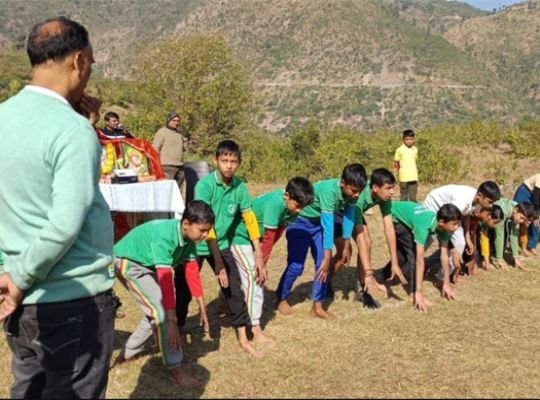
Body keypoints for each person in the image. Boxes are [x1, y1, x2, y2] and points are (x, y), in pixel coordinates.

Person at [0, 17, 116, 398]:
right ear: (78, 60)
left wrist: (10, 273)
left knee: (29, 389)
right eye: (91, 65)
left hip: (21, 305)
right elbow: (64, 223)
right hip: (70, 298)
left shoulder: (5, 118)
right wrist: (19, 278)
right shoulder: (71, 131)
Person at [175, 140, 264, 356]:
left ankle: (243, 337)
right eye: (224, 161)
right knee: (184, 288)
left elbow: (249, 218)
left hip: (222, 244)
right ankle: (177, 328)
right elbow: (205, 224)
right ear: (216, 161)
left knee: (234, 289)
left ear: (239, 163)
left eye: (233, 161)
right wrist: (218, 263)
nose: (229, 166)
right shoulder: (204, 186)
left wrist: (258, 252)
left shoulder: (240, 187)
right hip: (195, 245)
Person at [112, 200, 214, 387]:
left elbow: (192, 271)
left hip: (146, 264)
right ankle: (175, 369)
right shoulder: (165, 237)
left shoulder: (191, 238)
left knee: (156, 313)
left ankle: (126, 353)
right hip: (129, 263)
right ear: (185, 225)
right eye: (202, 230)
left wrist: (202, 307)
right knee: (161, 312)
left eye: (208, 230)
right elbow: (166, 280)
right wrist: (172, 320)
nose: (206, 235)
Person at [276, 164, 366, 320]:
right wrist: (327, 255)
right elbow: (328, 224)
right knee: (296, 266)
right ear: (343, 183)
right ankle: (281, 298)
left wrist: (345, 246)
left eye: (360, 191)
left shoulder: (351, 195)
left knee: (322, 267)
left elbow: (349, 216)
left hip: (317, 225)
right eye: (353, 190)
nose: (357, 195)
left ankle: (317, 306)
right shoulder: (329, 191)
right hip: (300, 222)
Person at [230, 177, 314, 342]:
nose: (299, 211)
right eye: (297, 206)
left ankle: (227, 302)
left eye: (302, 207)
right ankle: (255, 328)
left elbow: (278, 231)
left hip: (254, 239)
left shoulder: (291, 209)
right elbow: (268, 237)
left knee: (248, 276)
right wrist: (261, 263)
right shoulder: (275, 203)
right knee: (256, 280)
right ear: (287, 196)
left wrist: (261, 258)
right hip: (240, 237)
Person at [331, 168, 404, 308]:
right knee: (344, 252)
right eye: (388, 188)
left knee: (368, 242)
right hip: (337, 212)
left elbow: (389, 229)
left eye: (393, 188)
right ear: (375, 188)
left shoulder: (385, 198)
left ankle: (361, 288)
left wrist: (394, 263)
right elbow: (360, 238)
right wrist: (369, 273)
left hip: (351, 211)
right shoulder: (359, 196)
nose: (392, 192)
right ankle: (323, 283)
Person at [379, 202, 462, 312]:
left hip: (407, 216)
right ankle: (413, 294)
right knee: (412, 255)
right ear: (442, 222)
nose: (457, 227)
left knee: (404, 254)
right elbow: (419, 261)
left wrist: (446, 283)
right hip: (395, 216)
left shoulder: (444, 229)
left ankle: (382, 276)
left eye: (458, 224)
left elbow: (444, 256)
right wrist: (419, 292)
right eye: (454, 224)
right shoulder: (423, 226)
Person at [423, 181, 501, 279]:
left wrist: (467, 236)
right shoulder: (461, 201)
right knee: (428, 238)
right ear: (480, 195)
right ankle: (411, 266)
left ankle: (441, 278)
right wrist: (452, 248)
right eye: (490, 202)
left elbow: (466, 214)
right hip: (434, 206)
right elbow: (446, 227)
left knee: (460, 243)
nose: (491, 206)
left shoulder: (478, 202)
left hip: (452, 214)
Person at [479, 199, 536, 270]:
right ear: (515, 210)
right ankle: (483, 258)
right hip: (483, 221)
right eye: (521, 218)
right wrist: (499, 259)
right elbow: (499, 235)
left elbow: (514, 234)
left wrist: (516, 257)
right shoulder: (503, 211)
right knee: (490, 234)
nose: (521, 221)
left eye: (524, 220)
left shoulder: (516, 209)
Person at [153, 112, 189, 194]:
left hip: (179, 166)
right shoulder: (162, 132)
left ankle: (178, 207)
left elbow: (183, 149)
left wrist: (186, 139)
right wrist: (156, 164)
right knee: (166, 191)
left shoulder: (179, 134)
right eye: (174, 120)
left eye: (178, 121)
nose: (176, 123)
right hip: (166, 166)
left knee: (179, 191)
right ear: (168, 121)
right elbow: (155, 148)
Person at [513, 173, 540, 256]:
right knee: (519, 220)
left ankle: (531, 246)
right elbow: (536, 196)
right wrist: (537, 214)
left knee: (534, 220)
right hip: (525, 192)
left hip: (535, 197)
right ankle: (517, 247)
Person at [394, 129, 418, 202]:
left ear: (414, 139)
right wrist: (396, 174)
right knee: (403, 196)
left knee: (413, 197)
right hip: (403, 177)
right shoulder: (399, 150)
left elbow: (414, 161)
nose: (409, 141)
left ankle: (413, 212)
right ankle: (403, 212)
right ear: (403, 139)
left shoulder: (415, 149)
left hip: (413, 176)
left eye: (411, 139)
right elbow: (396, 164)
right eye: (407, 139)